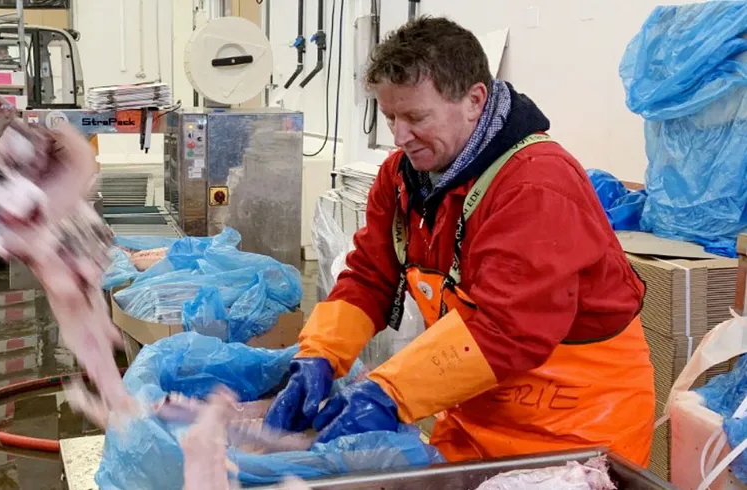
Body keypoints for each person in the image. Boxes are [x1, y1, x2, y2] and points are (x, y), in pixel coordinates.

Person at [263, 16, 655, 466]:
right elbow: (370, 275)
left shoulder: (535, 185)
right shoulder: (402, 179)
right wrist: (319, 355)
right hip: (475, 412)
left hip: (576, 429)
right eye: (390, 116)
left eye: (415, 117)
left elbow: (507, 328)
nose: (399, 136)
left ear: (474, 100)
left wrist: (388, 392)